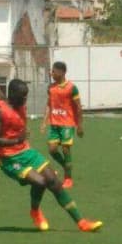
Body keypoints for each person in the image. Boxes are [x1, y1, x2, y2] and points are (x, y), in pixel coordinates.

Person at [0, 78, 102, 232]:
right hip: (8, 157)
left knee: (53, 181)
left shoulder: (21, 107)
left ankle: (82, 223)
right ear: (12, 94)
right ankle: (35, 211)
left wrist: (21, 137)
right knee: (40, 182)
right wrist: (16, 140)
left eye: (26, 96)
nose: (25, 99)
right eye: (22, 96)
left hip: (26, 151)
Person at [41, 61, 84, 189]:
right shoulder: (51, 88)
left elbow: (78, 107)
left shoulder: (72, 88)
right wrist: (44, 122)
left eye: (53, 71)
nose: (51, 73)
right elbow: (49, 105)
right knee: (52, 150)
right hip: (54, 124)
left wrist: (80, 125)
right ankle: (66, 165)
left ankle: (68, 178)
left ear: (62, 72)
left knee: (65, 149)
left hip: (67, 123)